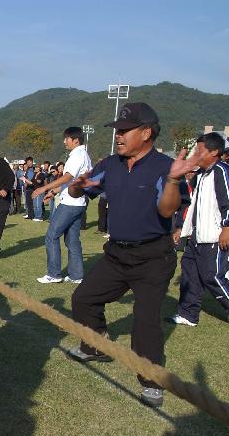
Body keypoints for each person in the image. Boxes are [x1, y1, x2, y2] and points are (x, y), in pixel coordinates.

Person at [66, 102, 199, 407]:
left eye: (124, 131)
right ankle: (95, 345)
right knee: (83, 299)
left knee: (145, 322)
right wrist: (76, 187)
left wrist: (174, 180)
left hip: (153, 258)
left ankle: (151, 381)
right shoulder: (110, 164)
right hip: (117, 254)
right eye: (117, 132)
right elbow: (81, 191)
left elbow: (167, 210)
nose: (118, 137)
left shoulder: (165, 168)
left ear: (146, 132)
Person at [169, 132, 229, 333]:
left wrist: (227, 228)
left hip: (214, 236)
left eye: (200, 150)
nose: (196, 154)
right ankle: (187, 314)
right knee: (190, 273)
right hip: (197, 236)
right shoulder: (201, 175)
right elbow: (192, 204)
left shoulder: (223, 171)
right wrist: (182, 227)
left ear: (215, 152)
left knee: (213, 277)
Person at [32, 127, 92, 284]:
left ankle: (54, 273)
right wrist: (54, 191)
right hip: (77, 202)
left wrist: (44, 187)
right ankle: (76, 275)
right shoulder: (82, 155)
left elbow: (67, 177)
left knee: (52, 236)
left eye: (67, 138)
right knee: (72, 240)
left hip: (70, 204)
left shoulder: (78, 155)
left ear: (76, 140)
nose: (64, 141)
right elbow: (72, 181)